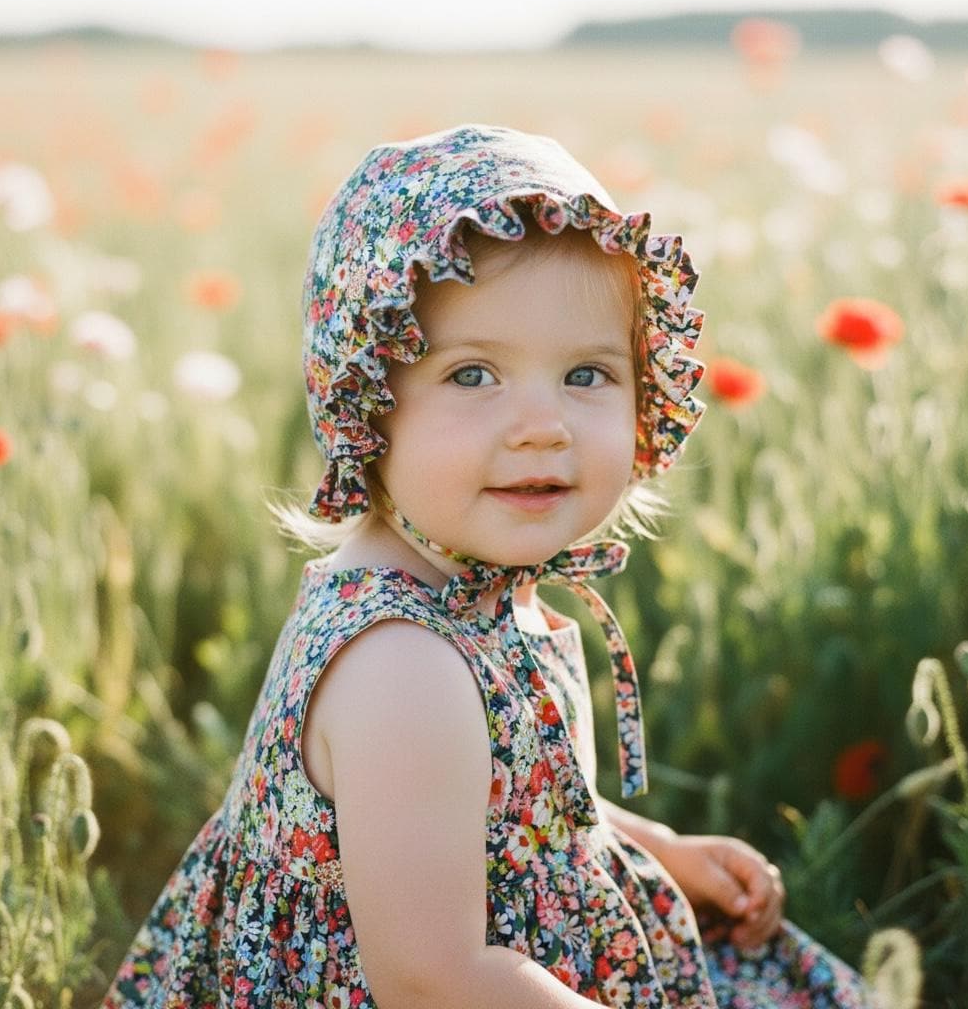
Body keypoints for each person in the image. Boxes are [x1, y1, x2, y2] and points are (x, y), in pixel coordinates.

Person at [103, 123, 875, 1007]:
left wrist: (660, 849)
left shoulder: (475, 596)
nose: (543, 423)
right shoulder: (403, 667)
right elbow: (434, 980)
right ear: (366, 404)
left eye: (588, 375)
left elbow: (510, 811)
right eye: (473, 376)